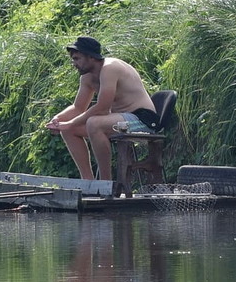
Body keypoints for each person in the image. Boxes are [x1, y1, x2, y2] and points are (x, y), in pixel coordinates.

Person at [45, 36, 158, 181]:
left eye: (77, 58)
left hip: (143, 120)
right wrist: (58, 119)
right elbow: (78, 107)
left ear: (91, 57)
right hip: (120, 121)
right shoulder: (87, 78)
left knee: (93, 123)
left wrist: (71, 123)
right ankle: (88, 181)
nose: (74, 63)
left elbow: (103, 108)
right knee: (69, 131)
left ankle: (105, 183)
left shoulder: (110, 68)